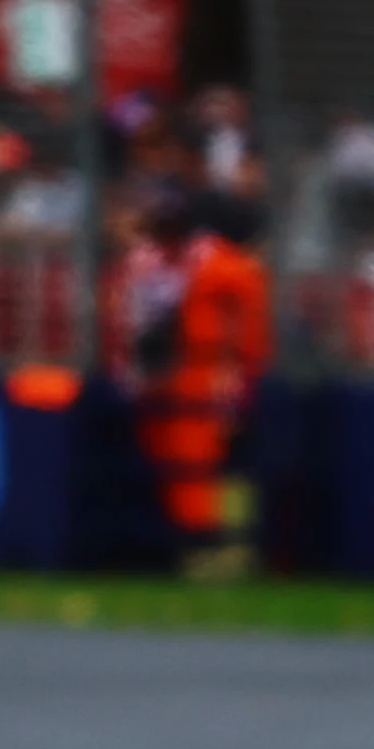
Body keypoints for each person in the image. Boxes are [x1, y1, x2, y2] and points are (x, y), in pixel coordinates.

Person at [134, 193, 275, 580]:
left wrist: (242, 374)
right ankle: (180, 545)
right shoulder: (150, 262)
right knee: (171, 463)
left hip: (210, 374)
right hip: (163, 375)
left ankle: (210, 548)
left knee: (205, 463)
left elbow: (250, 328)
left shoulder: (223, 266)